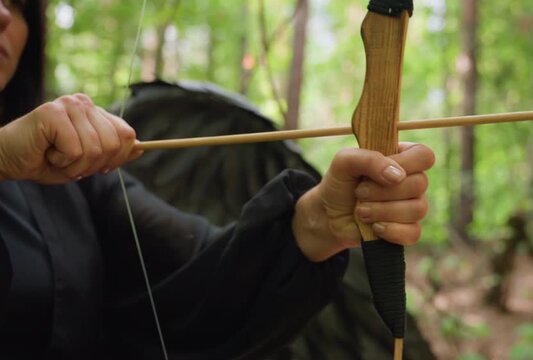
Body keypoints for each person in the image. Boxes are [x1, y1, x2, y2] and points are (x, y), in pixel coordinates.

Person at [0, 0, 435, 359]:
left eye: (17, 5)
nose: (4, 15)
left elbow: (195, 278)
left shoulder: (71, 179)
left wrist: (317, 222)